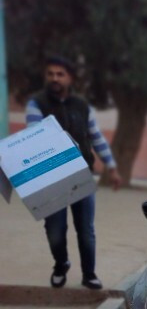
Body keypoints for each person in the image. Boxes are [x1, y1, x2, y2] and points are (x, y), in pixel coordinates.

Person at [26, 55, 122, 289]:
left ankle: (89, 274)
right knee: (55, 230)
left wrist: (112, 166)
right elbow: (35, 137)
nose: (55, 78)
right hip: (51, 178)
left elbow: (96, 137)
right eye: (50, 74)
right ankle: (61, 264)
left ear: (69, 78)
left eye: (60, 74)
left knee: (86, 230)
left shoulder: (82, 105)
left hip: (82, 175)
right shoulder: (36, 104)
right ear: (45, 77)